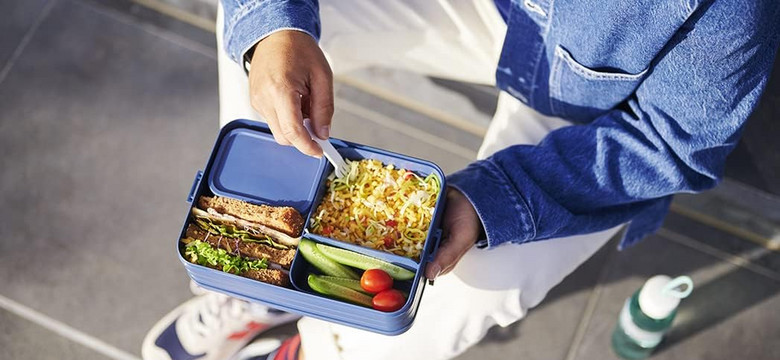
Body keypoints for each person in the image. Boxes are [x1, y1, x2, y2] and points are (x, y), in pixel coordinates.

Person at [142, 0, 780, 359]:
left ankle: (317, 352)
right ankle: (268, 269)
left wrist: (492, 201)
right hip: (487, 11)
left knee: (473, 285)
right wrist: (273, 28)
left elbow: (672, 143)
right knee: (251, 22)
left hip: (589, 111)